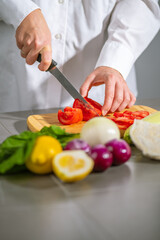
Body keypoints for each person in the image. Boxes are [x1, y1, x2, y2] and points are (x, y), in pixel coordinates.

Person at [0, 0, 159, 114]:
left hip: (102, 96)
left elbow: (141, 4)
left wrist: (115, 61)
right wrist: (22, 10)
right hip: (18, 93)